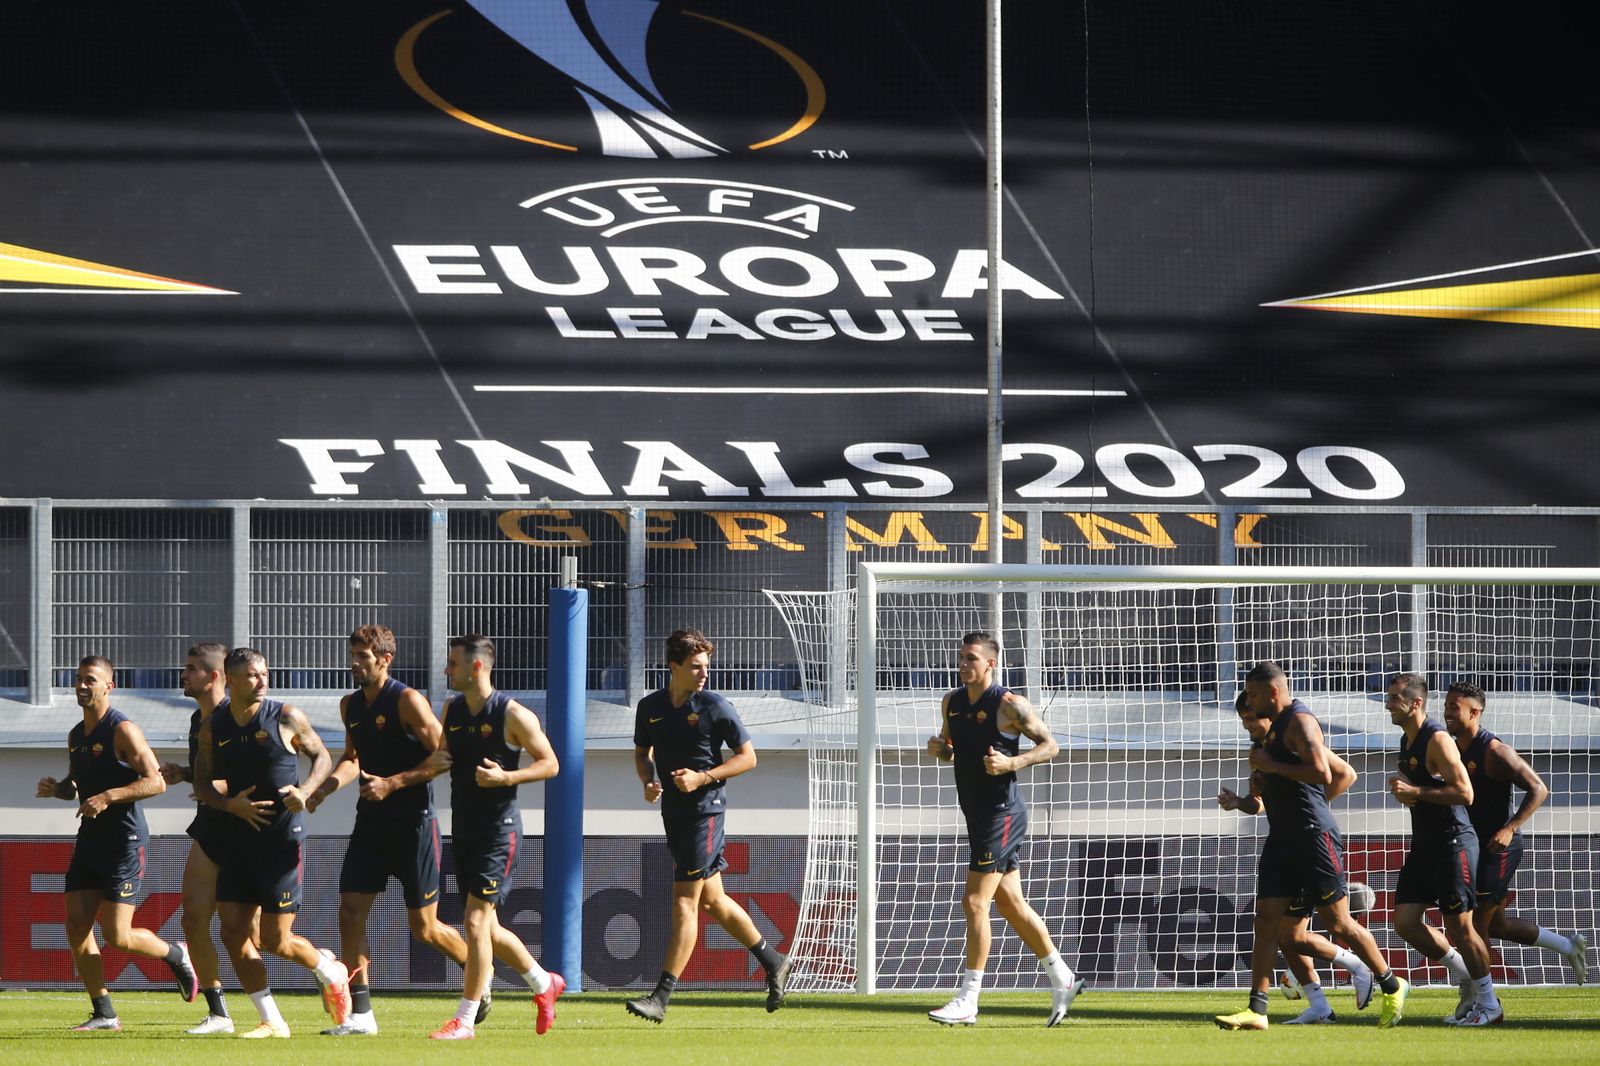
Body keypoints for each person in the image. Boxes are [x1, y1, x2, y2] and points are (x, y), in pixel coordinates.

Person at [303, 625, 490, 1035]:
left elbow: (445, 756)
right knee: (350, 912)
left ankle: (479, 971)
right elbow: (353, 758)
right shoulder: (349, 705)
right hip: (370, 824)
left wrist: (393, 783)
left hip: (414, 825)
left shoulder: (407, 701)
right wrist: (324, 789)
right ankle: (362, 1016)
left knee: (424, 928)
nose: (355, 663)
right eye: (352, 655)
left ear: (385, 659)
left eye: (363, 657)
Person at [1215, 662, 1407, 1031]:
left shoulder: (1300, 723)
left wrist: (1298, 795)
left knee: (1338, 923)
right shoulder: (1264, 742)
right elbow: (1262, 800)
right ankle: (1257, 1009)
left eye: (1252, 697)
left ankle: (1391, 983)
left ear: (1272, 692)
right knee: (1267, 922)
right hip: (1281, 841)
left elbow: (1324, 772)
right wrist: (1242, 801)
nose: (1249, 708)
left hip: (1313, 838)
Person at [625, 628, 792, 1024]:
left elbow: (748, 758)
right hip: (675, 815)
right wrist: (649, 781)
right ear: (674, 667)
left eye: (707, 666)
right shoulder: (650, 707)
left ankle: (660, 998)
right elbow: (641, 753)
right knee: (713, 901)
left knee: (686, 901)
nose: (704, 673)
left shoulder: (716, 707)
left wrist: (703, 778)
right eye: (696, 667)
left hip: (706, 812)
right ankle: (774, 961)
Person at [923, 632, 1083, 1027]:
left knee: (974, 903)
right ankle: (1063, 978)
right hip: (976, 814)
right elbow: (951, 747)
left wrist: (1013, 764)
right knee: (1011, 904)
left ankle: (968, 999)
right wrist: (941, 750)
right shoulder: (952, 703)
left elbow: (1050, 746)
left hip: (1002, 813)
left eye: (971, 658)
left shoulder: (1010, 705)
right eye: (960, 657)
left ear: (990, 664)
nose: (963, 664)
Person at [192, 647, 351, 1038]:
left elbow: (323, 758)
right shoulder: (214, 726)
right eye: (252, 675)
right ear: (230, 679)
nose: (262, 681)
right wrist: (232, 805)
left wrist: (306, 791)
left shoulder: (285, 715)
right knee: (232, 933)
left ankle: (329, 970)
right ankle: (272, 1020)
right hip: (237, 841)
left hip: (281, 840)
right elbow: (200, 785)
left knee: (274, 939)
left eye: (264, 673)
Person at [37, 654, 199, 1031]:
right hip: (90, 838)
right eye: (78, 679)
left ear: (109, 685)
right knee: (76, 925)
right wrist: (58, 789)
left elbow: (156, 781)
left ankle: (175, 954)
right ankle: (104, 1012)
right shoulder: (77, 735)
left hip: (124, 840)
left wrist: (109, 796)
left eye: (90, 680)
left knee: (117, 935)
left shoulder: (123, 730)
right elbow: (77, 786)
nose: (81, 685)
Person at [429, 634, 565, 1041]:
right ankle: (544, 983)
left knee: (474, 922)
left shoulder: (512, 714)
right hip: (465, 830)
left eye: (452, 663)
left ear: (476, 667)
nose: (446, 671)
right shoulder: (451, 709)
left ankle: (465, 1019)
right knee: (488, 927)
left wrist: (507, 777)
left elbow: (551, 764)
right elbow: (440, 756)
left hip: (499, 833)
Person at [1443, 680, 1586, 1018]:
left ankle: (1483, 1003)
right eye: (1446, 706)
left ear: (1475, 713)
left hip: (1499, 848)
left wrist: (1510, 828)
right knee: (1496, 927)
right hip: (1474, 845)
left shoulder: (1493, 751)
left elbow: (1539, 788)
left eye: (1454, 708)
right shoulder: (1452, 746)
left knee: (1476, 925)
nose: (1447, 712)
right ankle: (1567, 946)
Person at [1384, 672, 1501, 1027]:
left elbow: (1465, 793)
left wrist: (1415, 793)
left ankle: (1490, 1005)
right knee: (1404, 922)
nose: (1387, 704)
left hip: (1453, 844)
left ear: (1415, 703)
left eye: (1393, 699)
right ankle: (1464, 972)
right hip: (1424, 846)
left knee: (1462, 929)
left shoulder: (1437, 739)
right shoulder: (1407, 740)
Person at [158, 641, 259, 1034]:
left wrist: (211, 785)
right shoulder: (197, 721)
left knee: (259, 937)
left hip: (245, 832)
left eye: (192, 668)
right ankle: (219, 1013)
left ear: (215, 676)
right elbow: (209, 772)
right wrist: (186, 775)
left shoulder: (236, 717)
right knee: (193, 919)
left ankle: (324, 963)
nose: (184, 675)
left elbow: (249, 776)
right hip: (210, 828)